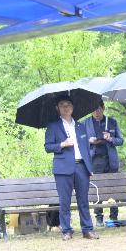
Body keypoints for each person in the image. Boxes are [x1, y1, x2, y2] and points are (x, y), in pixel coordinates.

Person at [46, 94, 98, 241]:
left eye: (68, 104)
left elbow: (86, 148)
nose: (66, 107)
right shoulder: (53, 126)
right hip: (63, 168)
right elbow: (48, 147)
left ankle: (87, 230)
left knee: (83, 200)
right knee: (65, 201)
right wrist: (62, 144)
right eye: (62, 105)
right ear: (58, 108)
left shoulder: (81, 126)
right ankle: (66, 230)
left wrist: (89, 167)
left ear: (73, 107)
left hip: (81, 167)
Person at [82, 99, 123, 228]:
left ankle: (114, 217)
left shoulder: (111, 122)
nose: (96, 112)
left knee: (113, 187)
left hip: (110, 158)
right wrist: (89, 141)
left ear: (103, 108)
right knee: (96, 188)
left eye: (99, 109)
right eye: (94, 110)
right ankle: (99, 217)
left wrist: (110, 138)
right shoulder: (85, 123)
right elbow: (80, 142)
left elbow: (120, 140)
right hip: (95, 160)